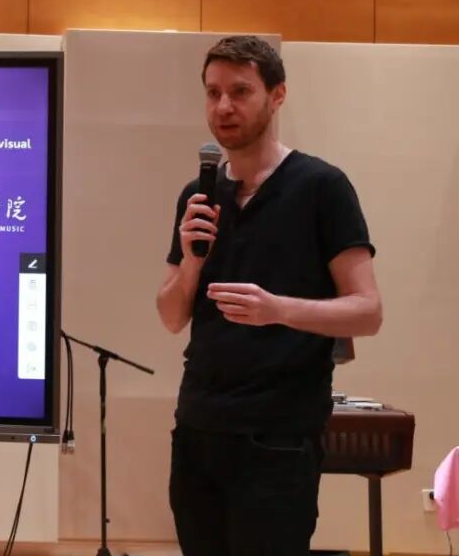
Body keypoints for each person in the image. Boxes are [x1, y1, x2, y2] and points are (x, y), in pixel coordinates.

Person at [155, 35, 383, 556]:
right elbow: (170, 316)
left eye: (240, 91)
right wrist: (191, 262)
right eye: (213, 92)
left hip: (278, 438)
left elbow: (368, 311)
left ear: (277, 95)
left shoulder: (321, 187)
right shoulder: (198, 194)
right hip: (198, 430)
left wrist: (276, 309)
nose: (223, 107)